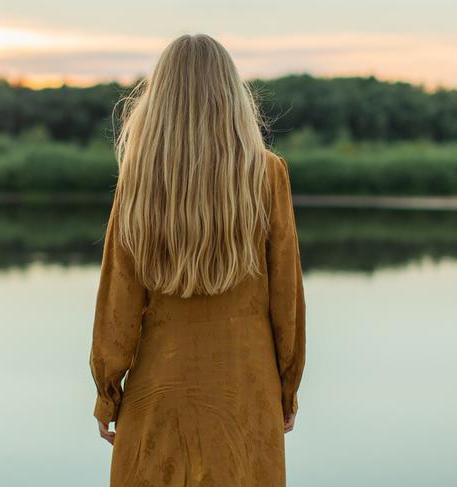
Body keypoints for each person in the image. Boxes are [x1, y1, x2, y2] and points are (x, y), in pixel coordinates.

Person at [89, 33, 306, 486]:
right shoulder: (266, 175)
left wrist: (107, 394)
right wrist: (287, 389)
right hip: (246, 392)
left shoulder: (138, 179)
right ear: (231, 96)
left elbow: (118, 303)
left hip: (158, 393)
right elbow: (287, 303)